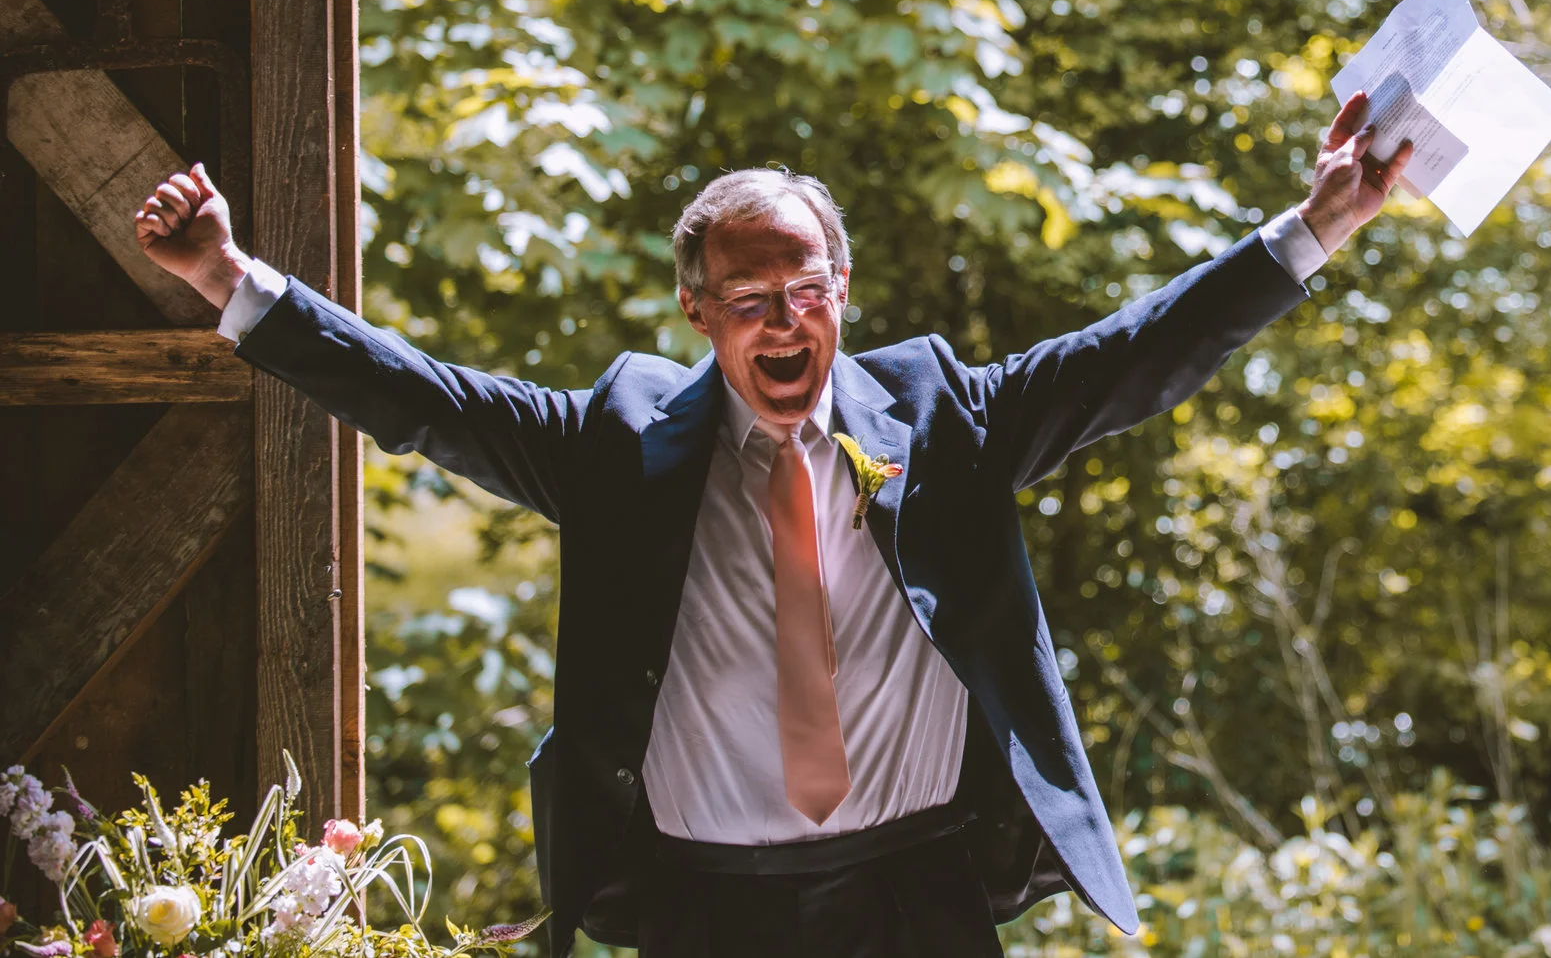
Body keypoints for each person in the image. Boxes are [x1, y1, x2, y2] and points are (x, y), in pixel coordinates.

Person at [134, 93, 1413, 958]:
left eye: (807, 288)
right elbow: (426, 401)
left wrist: (1320, 224)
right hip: (707, 909)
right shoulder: (616, 441)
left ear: (841, 289)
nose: (785, 320)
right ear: (698, 312)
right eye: (750, 296)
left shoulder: (942, 414)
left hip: (920, 893)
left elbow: (1135, 354)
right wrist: (230, 280)